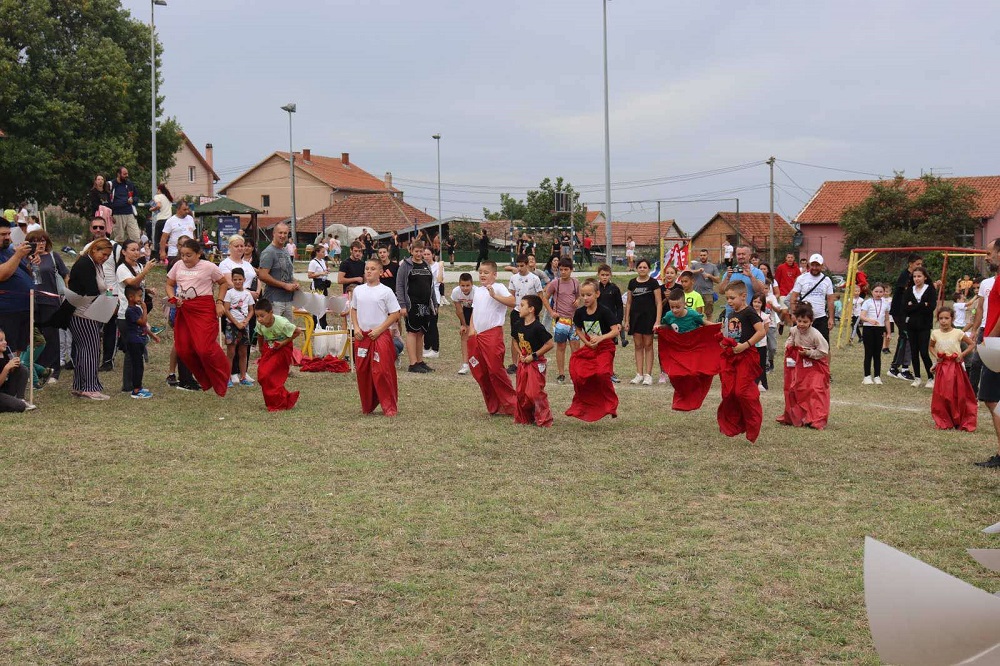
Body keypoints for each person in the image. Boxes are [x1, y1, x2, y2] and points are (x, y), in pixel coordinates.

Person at [166, 238, 231, 396]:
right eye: (182, 255)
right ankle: (204, 378)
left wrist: (219, 302)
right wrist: (173, 297)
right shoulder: (178, 265)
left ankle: (223, 372)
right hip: (184, 308)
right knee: (183, 349)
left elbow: (223, 283)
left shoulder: (209, 266)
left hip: (203, 309)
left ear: (198, 254)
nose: (185, 258)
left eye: (189, 255)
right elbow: (169, 284)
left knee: (204, 349)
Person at [351, 259, 402, 417]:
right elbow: (353, 309)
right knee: (362, 371)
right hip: (363, 336)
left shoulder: (386, 291)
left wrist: (380, 329)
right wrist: (356, 328)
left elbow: (395, 314)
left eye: (373, 269)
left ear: (380, 272)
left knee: (382, 371)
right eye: (367, 268)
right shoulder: (358, 290)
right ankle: (368, 405)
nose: (368, 271)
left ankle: (389, 406)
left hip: (380, 336)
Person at [566, 279, 620, 422]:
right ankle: (585, 402)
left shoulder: (604, 311)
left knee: (602, 373)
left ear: (597, 294)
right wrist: (587, 343)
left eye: (589, 295)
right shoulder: (580, 313)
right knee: (577, 370)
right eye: (583, 295)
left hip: (605, 347)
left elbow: (615, 331)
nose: (585, 298)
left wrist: (601, 338)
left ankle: (610, 404)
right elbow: (578, 330)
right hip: (590, 346)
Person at [467, 260, 517, 415]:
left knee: (495, 370)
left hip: (492, 335)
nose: (482, 275)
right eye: (480, 272)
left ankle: (513, 404)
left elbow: (513, 302)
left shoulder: (498, 287)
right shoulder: (478, 290)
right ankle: (495, 405)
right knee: (480, 372)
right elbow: (475, 311)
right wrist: (471, 329)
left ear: (494, 274)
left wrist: (494, 295)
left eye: (486, 272)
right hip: (477, 336)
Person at [718, 281, 766, 442]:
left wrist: (745, 345)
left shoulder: (749, 312)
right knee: (730, 392)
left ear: (743, 296)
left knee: (742, 391)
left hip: (746, 355)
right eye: (727, 298)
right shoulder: (731, 314)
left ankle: (753, 423)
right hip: (733, 356)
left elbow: (761, 332)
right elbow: (729, 334)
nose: (729, 301)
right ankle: (737, 422)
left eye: (732, 298)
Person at [67, 238, 114, 400]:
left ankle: (80, 386)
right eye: (103, 254)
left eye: (108, 256)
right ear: (94, 250)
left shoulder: (94, 264)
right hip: (84, 313)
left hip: (85, 312)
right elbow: (92, 291)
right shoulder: (86, 264)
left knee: (83, 349)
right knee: (91, 349)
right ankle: (90, 387)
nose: (105, 258)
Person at [777, 302, 831, 430]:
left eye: (805, 322)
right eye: (799, 321)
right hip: (799, 364)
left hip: (816, 365)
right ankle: (797, 416)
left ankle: (816, 418)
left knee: (814, 389)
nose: (801, 324)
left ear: (811, 321)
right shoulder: (794, 330)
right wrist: (789, 346)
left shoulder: (815, 334)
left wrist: (808, 353)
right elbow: (790, 340)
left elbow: (824, 351)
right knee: (795, 388)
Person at [25, 230, 68, 384]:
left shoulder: (53, 257)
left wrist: (68, 294)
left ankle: (53, 370)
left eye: (43, 240)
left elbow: (65, 274)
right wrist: (30, 261)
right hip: (31, 302)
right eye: (36, 241)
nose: (40, 244)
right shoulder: (24, 258)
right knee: (35, 337)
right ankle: (36, 369)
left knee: (51, 336)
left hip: (51, 302)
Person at [115, 239, 156, 393]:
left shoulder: (138, 266)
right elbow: (131, 283)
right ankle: (129, 385)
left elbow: (137, 286)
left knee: (136, 350)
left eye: (138, 249)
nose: (136, 252)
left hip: (137, 312)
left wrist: (148, 290)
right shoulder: (121, 268)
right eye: (132, 250)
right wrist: (145, 271)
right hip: (126, 314)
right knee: (131, 352)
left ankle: (135, 383)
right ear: (124, 252)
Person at [929, 306, 976, 431]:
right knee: (941, 394)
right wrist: (936, 357)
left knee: (956, 393)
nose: (943, 321)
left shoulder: (958, 333)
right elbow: (931, 346)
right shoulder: (935, 333)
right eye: (941, 318)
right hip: (942, 367)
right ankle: (944, 419)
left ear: (952, 319)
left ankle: (958, 418)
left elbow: (972, 344)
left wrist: (962, 355)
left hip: (955, 367)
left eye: (946, 318)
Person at [513, 294, 554, 427]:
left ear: (531, 309)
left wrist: (534, 356)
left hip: (536, 363)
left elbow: (550, 344)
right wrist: (520, 353)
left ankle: (543, 418)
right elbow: (515, 341)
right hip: (523, 362)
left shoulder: (538, 327)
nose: (519, 308)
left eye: (522, 305)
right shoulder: (518, 324)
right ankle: (525, 417)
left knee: (534, 392)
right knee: (521, 392)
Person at [254, 298, 301, 412]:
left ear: (271, 313)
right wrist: (261, 348)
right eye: (257, 316)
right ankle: (280, 398)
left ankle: (278, 402)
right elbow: (260, 335)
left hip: (283, 348)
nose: (259, 319)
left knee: (268, 374)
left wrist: (283, 343)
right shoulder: (260, 323)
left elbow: (297, 331)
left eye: (262, 316)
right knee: (262, 375)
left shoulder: (282, 323)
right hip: (270, 348)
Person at [395, 241, 436, 373]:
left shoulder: (426, 265)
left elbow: (431, 286)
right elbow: (399, 285)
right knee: (412, 332)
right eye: (416, 251)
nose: (419, 254)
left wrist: (434, 303)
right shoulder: (405, 265)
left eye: (421, 251)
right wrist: (402, 305)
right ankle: (413, 364)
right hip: (411, 304)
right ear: (411, 251)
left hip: (425, 305)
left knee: (421, 332)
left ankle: (419, 361)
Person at [543, 257, 581, 385]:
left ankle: (575, 373)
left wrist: (578, 300)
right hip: (560, 320)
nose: (563, 272)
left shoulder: (576, 282)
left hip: (574, 320)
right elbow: (545, 298)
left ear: (571, 270)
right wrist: (551, 312)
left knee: (575, 347)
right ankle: (561, 373)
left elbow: (579, 296)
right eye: (561, 269)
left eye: (566, 269)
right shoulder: (555, 283)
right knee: (561, 346)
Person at [624, 258, 661, 386]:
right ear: (636, 269)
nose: (642, 269)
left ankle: (648, 375)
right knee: (638, 345)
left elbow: (658, 302)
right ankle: (639, 374)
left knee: (648, 345)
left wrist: (657, 320)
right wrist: (626, 320)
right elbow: (629, 302)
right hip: (636, 318)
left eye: (645, 267)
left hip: (649, 318)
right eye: (640, 267)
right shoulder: (632, 283)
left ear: (649, 269)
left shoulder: (653, 283)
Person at [0, 223, 34, 356]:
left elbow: (25, 273)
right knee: (8, 351)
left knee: (20, 349)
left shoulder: (9, 251)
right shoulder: (14, 253)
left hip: (24, 308)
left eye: (9, 234)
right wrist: (18, 255)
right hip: (7, 310)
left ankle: (16, 368)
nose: (7, 237)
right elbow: (2, 275)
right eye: (3, 234)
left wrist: (31, 262)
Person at [887, 253, 922, 381]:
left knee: (905, 337)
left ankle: (895, 367)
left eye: (921, 264)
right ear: (910, 264)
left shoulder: (915, 277)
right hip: (899, 312)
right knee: (907, 336)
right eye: (917, 264)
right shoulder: (905, 275)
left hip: (906, 312)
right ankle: (903, 369)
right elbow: (909, 290)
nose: (919, 266)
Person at [787, 254, 836, 346]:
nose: (814, 268)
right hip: (803, 317)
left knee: (824, 346)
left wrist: (831, 318)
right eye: (813, 265)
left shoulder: (827, 280)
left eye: (817, 265)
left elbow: (830, 300)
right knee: (799, 345)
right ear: (809, 265)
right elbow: (793, 297)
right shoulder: (801, 278)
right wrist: (793, 314)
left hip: (820, 317)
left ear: (822, 266)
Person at [507, 254, 544, 373]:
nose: (519, 268)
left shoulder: (535, 278)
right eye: (517, 266)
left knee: (533, 337)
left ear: (527, 265)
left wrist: (538, 311)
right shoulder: (513, 278)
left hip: (531, 313)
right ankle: (515, 363)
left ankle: (533, 359)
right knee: (515, 338)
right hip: (517, 312)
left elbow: (540, 296)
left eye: (522, 266)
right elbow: (511, 296)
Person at [257, 222, 300, 319]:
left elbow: (287, 273)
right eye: (280, 233)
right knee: (274, 328)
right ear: (274, 233)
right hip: (274, 300)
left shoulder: (285, 251)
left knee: (287, 328)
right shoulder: (269, 252)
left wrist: (294, 282)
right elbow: (263, 275)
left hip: (288, 300)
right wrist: (284, 285)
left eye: (285, 233)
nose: (283, 236)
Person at [904, 266, 937, 388]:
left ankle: (930, 378)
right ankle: (917, 378)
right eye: (914, 276)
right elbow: (906, 308)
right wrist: (922, 305)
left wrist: (915, 305)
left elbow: (931, 307)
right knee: (914, 352)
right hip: (911, 325)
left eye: (919, 276)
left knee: (924, 352)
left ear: (925, 277)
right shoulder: (909, 290)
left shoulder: (930, 289)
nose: (916, 279)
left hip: (924, 325)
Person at [122, 285, 156, 399]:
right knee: (137, 365)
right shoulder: (130, 311)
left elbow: (143, 326)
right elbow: (142, 322)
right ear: (131, 297)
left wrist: (152, 335)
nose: (141, 299)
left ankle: (138, 386)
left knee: (139, 365)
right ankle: (136, 390)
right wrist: (145, 309)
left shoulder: (136, 309)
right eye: (139, 296)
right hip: (134, 341)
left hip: (139, 340)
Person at [223, 267, 255, 387]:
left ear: (244, 280)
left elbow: (251, 310)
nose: (237, 282)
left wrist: (246, 321)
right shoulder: (229, 293)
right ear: (232, 280)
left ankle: (243, 377)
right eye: (235, 279)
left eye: (240, 279)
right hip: (232, 325)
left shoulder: (247, 294)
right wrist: (236, 323)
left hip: (244, 326)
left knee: (243, 352)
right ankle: (227, 378)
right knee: (231, 352)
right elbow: (226, 309)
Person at [595, 263, 625, 381]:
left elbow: (619, 306)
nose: (604, 277)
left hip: (611, 323)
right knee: (596, 347)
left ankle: (610, 371)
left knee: (610, 349)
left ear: (610, 275)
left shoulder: (614, 289)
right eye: (602, 275)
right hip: (597, 323)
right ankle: (597, 370)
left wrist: (618, 322)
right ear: (598, 275)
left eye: (607, 275)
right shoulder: (594, 288)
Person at [719, 246, 766, 318]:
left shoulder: (757, 272)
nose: (741, 256)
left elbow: (760, 291)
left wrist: (751, 276)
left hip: (751, 313)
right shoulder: (730, 272)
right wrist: (727, 277)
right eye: (738, 254)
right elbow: (721, 291)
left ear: (749, 256)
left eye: (743, 254)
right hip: (731, 313)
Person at [859, 284, 891, 385]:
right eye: (876, 291)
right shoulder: (867, 302)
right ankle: (867, 376)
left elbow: (886, 319)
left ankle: (877, 376)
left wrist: (888, 332)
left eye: (881, 292)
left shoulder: (885, 304)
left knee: (877, 353)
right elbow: (862, 316)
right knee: (868, 353)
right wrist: (869, 320)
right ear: (872, 292)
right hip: (868, 328)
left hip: (880, 329)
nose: (878, 294)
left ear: (884, 292)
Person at [0, 328, 34, 412]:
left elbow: (10, 373)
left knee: (22, 369)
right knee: (20, 406)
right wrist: (6, 368)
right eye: (1, 340)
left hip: (5, 390)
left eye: (4, 339)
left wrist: (13, 367)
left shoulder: (5, 353)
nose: (5, 342)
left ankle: (20, 398)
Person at [451, 273, 476, 375]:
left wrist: (471, 326)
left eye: (467, 285)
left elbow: (476, 311)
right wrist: (463, 325)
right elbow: (459, 310)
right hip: (466, 309)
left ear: (472, 284)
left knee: (475, 336)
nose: (465, 288)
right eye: (463, 285)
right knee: (464, 335)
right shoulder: (456, 292)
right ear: (459, 284)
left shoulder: (477, 292)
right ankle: (465, 364)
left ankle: (477, 363)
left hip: (477, 311)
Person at [107, 166, 140, 243]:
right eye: (124, 174)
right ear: (118, 174)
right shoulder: (111, 185)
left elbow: (136, 197)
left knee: (136, 237)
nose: (127, 175)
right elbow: (107, 200)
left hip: (129, 213)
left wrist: (133, 200)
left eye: (127, 174)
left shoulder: (130, 184)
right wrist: (110, 215)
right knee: (119, 239)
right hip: (117, 215)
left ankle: (133, 250)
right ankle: (119, 250)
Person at [159, 200, 195, 268]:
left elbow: (193, 234)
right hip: (174, 253)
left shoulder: (190, 219)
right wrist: (162, 252)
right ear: (178, 209)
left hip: (189, 253)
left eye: (187, 209)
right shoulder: (170, 221)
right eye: (184, 209)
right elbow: (164, 238)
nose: (187, 211)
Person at [689, 248, 721, 321]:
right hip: (696, 292)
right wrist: (698, 271)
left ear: (707, 256)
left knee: (709, 314)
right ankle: (697, 326)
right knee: (696, 313)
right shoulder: (695, 265)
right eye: (701, 255)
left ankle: (709, 327)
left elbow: (718, 280)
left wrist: (709, 276)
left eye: (704, 255)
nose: (702, 257)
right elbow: (688, 272)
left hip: (708, 293)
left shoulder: (713, 266)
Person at [149, 183, 173, 260]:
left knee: (157, 240)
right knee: (167, 241)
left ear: (159, 190)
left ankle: (158, 258)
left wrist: (152, 209)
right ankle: (168, 258)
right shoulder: (168, 198)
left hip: (161, 221)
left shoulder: (157, 196)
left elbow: (158, 205)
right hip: (169, 221)